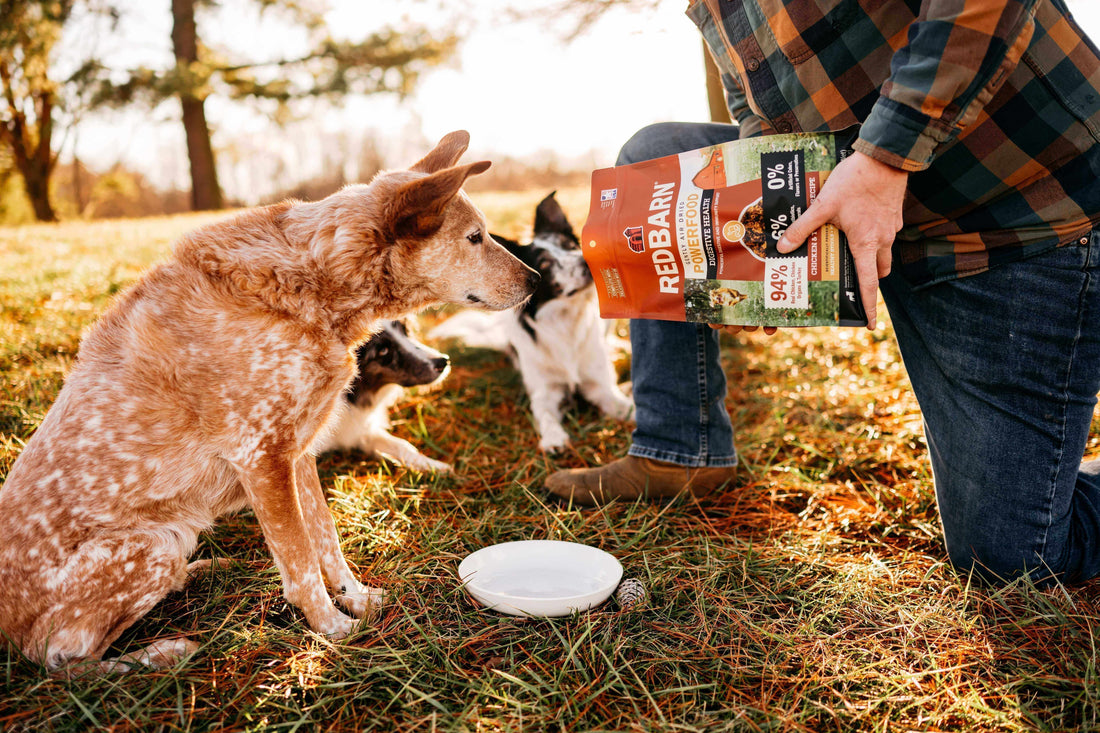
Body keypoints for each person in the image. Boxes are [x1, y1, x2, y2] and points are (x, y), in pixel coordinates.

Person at [545, 0, 1100, 586]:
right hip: (872, 210)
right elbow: (763, 107)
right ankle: (679, 449)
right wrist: (766, 265)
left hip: (1020, 214)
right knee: (654, 159)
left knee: (1011, 560)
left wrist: (885, 158)